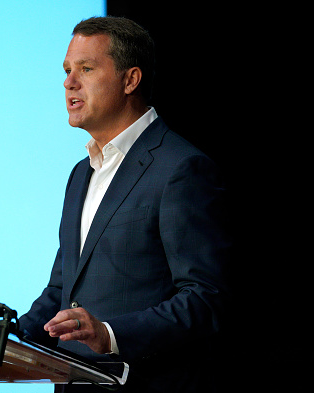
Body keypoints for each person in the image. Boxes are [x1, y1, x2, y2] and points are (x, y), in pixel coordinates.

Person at [18, 16, 232, 392]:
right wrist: (5, 339)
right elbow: (62, 291)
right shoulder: (80, 175)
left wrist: (111, 334)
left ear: (130, 80)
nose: (69, 82)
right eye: (67, 70)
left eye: (86, 69)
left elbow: (205, 299)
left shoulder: (181, 168)